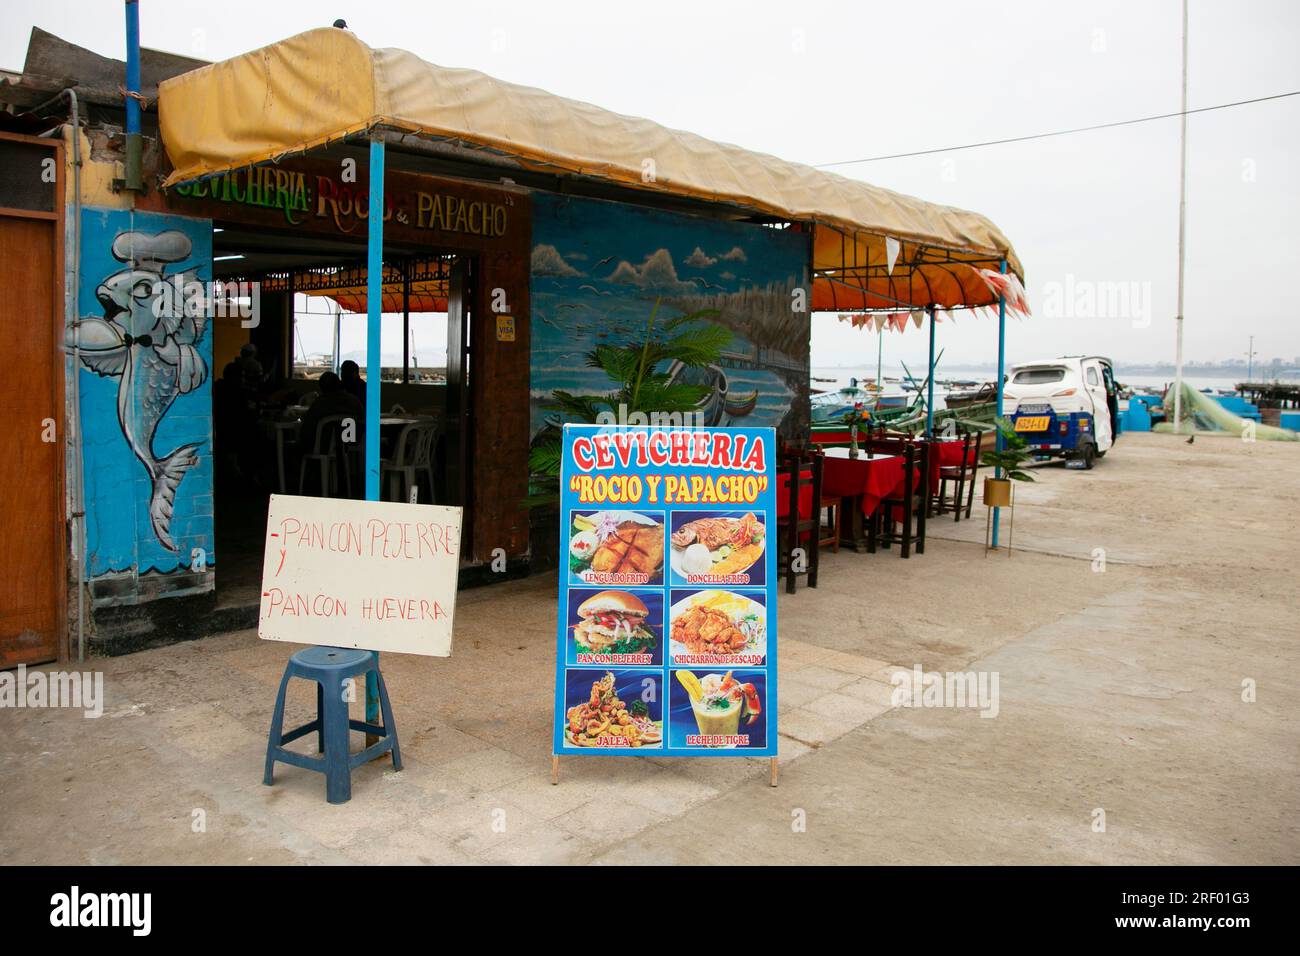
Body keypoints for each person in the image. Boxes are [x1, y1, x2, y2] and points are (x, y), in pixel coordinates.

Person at [296, 372, 363, 495]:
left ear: (321, 388)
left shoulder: (320, 403)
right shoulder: (354, 401)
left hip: (323, 447)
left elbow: (307, 431)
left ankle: (301, 488)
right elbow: (362, 421)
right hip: (349, 445)